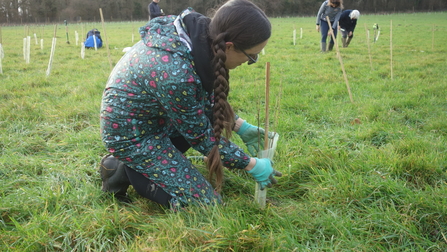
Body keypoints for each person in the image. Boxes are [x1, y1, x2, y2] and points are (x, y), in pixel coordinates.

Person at [99, 0, 282, 210]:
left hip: (161, 120)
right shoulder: (176, 72)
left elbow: (200, 103)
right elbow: (201, 136)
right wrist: (250, 165)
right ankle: (123, 167)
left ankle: (145, 164)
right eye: (251, 56)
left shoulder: (198, 42)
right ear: (229, 46)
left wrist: (240, 125)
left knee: (193, 176)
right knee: (205, 205)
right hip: (131, 135)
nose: (251, 61)